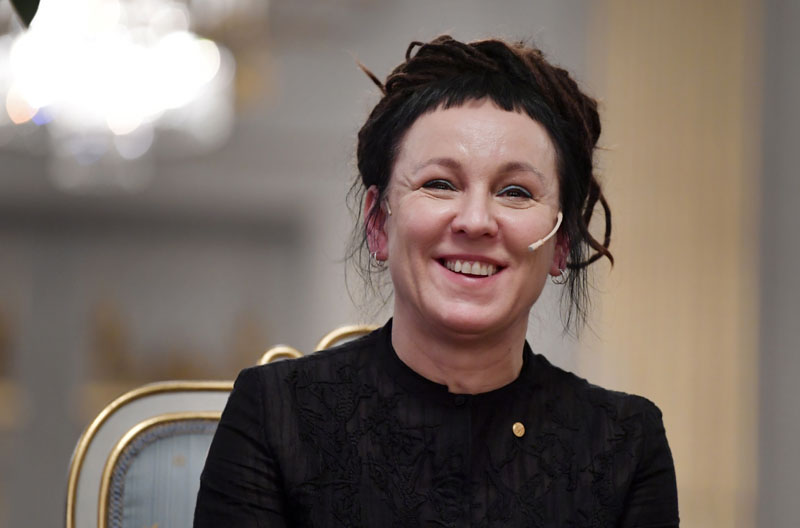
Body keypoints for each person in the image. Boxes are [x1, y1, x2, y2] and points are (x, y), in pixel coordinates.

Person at [193, 35, 679, 527]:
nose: (475, 221)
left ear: (560, 243)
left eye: (515, 192)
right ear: (379, 224)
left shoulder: (624, 443)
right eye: (439, 184)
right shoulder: (277, 414)